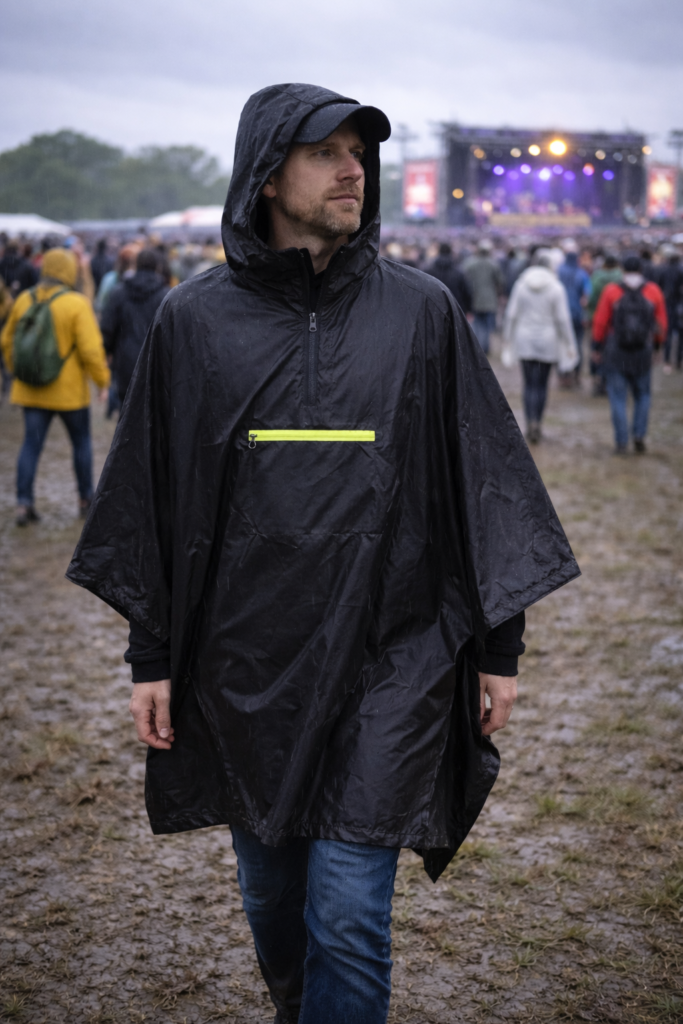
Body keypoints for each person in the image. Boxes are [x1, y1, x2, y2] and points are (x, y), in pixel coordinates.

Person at [67, 83, 579, 1024]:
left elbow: (481, 483)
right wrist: (152, 658)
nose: (353, 169)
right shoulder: (193, 321)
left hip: (396, 659)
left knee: (347, 914)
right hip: (244, 664)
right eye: (325, 152)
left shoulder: (420, 314)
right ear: (266, 177)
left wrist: (498, 647)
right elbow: (151, 500)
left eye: (359, 151)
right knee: (275, 905)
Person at [0, 248, 110, 525]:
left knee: (30, 447)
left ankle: (24, 504)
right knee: (81, 444)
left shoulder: (24, 299)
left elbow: (6, 341)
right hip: (69, 393)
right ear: (70, 271)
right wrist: (102, 382)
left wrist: (18, 372)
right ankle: (86, 499)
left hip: (31, 391)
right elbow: (90, 350)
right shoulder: (76, 303)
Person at [592, 255, 667, 455]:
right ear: (642, 270)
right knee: (643, 395)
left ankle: (621, 441)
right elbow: (661, 325)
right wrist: (658, 347)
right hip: (643, 351)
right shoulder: (653, 291)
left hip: (617, 351)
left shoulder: (612, 291)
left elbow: (600, 322)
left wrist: (596, 347)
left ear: (623, 270)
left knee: (617, 397)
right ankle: (639, 434)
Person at [503, 250, 578, 443]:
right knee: (542, 384)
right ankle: (538, 422)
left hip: (525, 338)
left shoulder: (521, 285)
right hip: (548, 340)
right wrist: (570, 343)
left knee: (529, 384)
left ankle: (529, 423)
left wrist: (507, 339)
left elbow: (511, 314)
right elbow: (563, 319)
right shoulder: (555, 287)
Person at [100, 249, 169, 404]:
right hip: (156, 361)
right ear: (158, 267)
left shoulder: (119, 292)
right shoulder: (166, 295)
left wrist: (107, 351)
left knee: (126, 411)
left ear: (135, 265)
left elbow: (107, 327)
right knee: (155, 412)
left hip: (126, 360)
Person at [587, 253, 622, 396]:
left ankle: (599, 379)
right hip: (616, 321)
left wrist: (590, 310)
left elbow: (591, 295)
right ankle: (610, 380)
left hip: (598, 315)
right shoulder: (621, 277)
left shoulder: (597, 276)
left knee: (598, 349)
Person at [558, 239, 591, 386]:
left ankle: (564, 375)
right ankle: (576, 375)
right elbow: (587, 294)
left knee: (562, 344)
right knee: (577, 345)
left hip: (561, 314)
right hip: (577, 314)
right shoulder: (582, 273)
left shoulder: (559, 271)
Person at [462, 238, 503, 354]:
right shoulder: (493, 264)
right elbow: (500, 281)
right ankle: (485, 347)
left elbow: (464, 280)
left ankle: (478, 346)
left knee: (477, 323)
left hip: (474, 298)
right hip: (489, 299)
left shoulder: (469, 263)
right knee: (486, 325)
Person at [424, 241, 471, 313]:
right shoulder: (458, 272)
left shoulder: (429, 270)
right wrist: (468, 309)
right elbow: (466, 292)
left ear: (439, 252)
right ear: (450, 252)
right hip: (455, 308)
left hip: (435, 309)